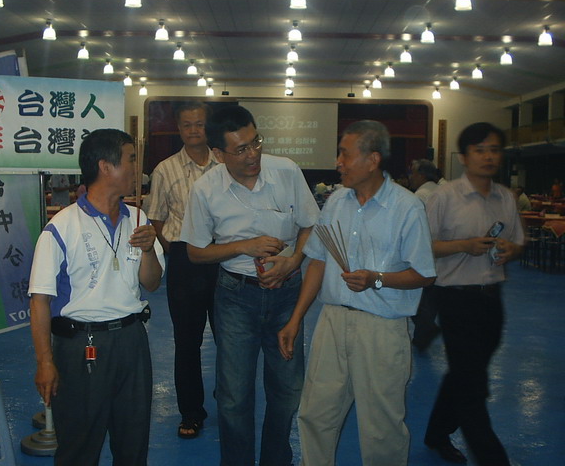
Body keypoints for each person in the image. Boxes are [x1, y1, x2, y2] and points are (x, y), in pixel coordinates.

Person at [278, 120, 436, 466]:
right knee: (315, 415)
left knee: (381, 428)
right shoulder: (336, 201)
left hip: (382, 329)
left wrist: (377, 279)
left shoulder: (407, 207)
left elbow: (424, 274)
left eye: (345, 155)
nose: (338, 162)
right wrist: (295, 319)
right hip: (332, 322)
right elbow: (318, 262)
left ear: (372, 159)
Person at [180, 105, 320, 466]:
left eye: (256, 142)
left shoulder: (286, 171)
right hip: (236, 297)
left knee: (288, 390)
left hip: (287, 295)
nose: (253, 154)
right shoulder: (205, 190)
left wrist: (294, 260)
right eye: (241, 149)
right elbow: (196, 252)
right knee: (234, 397)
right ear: (218, 154)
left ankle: (277, 459)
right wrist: (244, 246)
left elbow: (310, 225)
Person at [29, 129, 165, 466]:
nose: (137, 169)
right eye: (131, 159)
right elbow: (39, 301)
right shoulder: (61, 227)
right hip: (81, 345)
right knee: (79, 446)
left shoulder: (138, 219)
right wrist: (45, 362)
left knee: (133, 442)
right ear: (105, 166)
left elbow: (151, 283)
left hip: (132, 340)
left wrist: (149, 249)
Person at [423, 122, 524, 465]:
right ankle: (493, 458)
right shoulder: (445, 197)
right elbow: (423, 246)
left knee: (464, 373)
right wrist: (463, 245)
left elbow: (518, 242)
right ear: (464, 157)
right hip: (455, 298)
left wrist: (511, 250)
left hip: (492, 297)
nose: (488, 156)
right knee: (472, 385)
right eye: (480, 150)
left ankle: (436, 433)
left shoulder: (505, 198)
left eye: (494, 150)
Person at [147, 101, 219, 439]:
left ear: (208, 127)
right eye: (187, 125)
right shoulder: (165, 170)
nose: (194, 130)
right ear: (178, 129)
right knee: (187, 342)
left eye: (199, 124)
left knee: (230, 338)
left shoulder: (225, 165)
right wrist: (174, 250)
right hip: (184, 261)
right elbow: (156, 218)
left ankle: (230, 402)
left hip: (223, 259)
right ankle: (191, 413)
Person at [408, 158, 441, 351]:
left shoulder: (420, 196)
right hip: (443, 251)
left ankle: (426, 329)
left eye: (412, 173)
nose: (410, 177)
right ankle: (424, 332)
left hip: (425, 250)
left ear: (421, 175)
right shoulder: (442, 191)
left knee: (414, 294)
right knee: (429, 296)